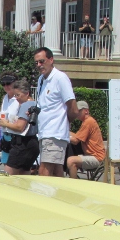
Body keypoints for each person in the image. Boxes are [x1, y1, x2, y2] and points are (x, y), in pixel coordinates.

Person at [33, 47, 78, 177]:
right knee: (57, 170)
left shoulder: (60, 78)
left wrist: (63, 122)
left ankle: (41, 196)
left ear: (51, 59)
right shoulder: (41, 80)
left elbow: (73, 108)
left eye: (42, 61)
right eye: (36, 63)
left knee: (44, 170)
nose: (39, 65)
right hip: (43, 132)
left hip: (54, 134)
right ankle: (62, 196)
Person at [0, 80, 39, 175]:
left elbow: (20, 127)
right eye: (15, 95)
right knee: (24, 176)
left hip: (22, 144)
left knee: (8, 176)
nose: (16, 98)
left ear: (27, 93)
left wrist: (5, 124)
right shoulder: (34, 104)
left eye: (18, 95)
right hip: (32, 144)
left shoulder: (26, 105)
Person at [65, 101, 106, 178]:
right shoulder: (88, 121)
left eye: (79, 111)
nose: (77, 113)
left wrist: (62, 136)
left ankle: (74, 184)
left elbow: (75, 140)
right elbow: (77, 136)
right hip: (95, 156)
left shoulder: (88, 122)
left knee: (71, 161)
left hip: (96, 157)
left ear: (86, 111)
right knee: (71, 154)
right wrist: (66, 132)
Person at [0, 72, 21, 164]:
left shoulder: (19, 99)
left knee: (15, 168)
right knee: (6, 165)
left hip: (16, 137)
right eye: (3, 84)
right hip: (6, 137)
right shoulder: (5, 98)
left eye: (8, 83)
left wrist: (7, 123)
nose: (6, 86)